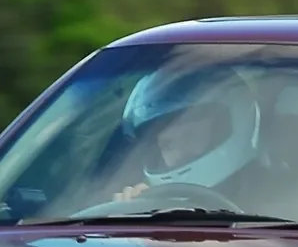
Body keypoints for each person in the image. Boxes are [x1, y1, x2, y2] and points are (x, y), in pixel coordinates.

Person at [108, 65, 263, 204]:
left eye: (190, 137)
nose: (179, 154)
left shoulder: (279, 205)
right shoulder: (150, 203)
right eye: (167, 144)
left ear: (230, 125)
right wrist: (133, 220)